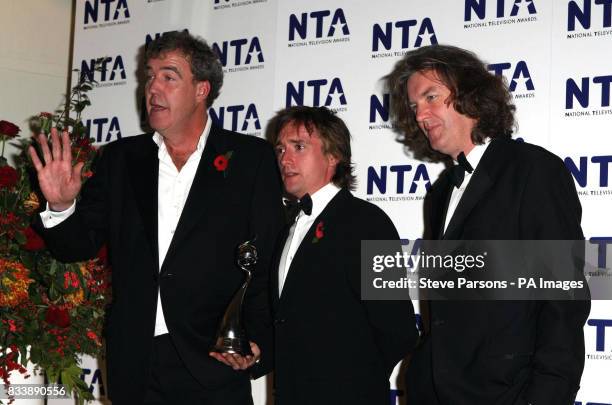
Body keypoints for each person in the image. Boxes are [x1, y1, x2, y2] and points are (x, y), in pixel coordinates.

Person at [29, 31, 284, 404]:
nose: (152, 88)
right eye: (149, 76)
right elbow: (75, 246)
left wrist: (258, 340)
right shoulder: (120, 160)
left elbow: (267, 259)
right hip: (135, 365)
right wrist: (60, 206)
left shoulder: (250, 159)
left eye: (169, 76)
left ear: (202, 90)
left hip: (214, 361)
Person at [386, 44, 590, 405]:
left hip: (506, 394)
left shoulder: (532, 171)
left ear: (470, 94)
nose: (421, 115)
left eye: (431, 97)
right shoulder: (440, 194)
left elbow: (563, 300)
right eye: (415, 106)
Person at [265, 106, 418, 405]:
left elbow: (398, 328)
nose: (285, 158)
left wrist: (351, 382)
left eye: (299, 147)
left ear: (333, 156)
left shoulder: (366, 222)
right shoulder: (288, 229)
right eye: (281, 149)